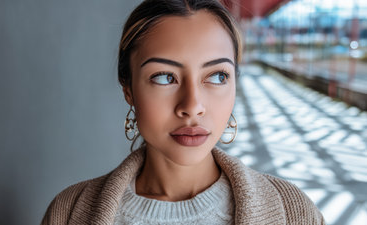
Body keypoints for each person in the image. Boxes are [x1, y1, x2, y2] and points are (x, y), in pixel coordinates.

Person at [41, 0, 325, 224]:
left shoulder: (294, 214)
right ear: (127, 87)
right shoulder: (68, 213)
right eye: (165, 77)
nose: (192, 106)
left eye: (217, 76)